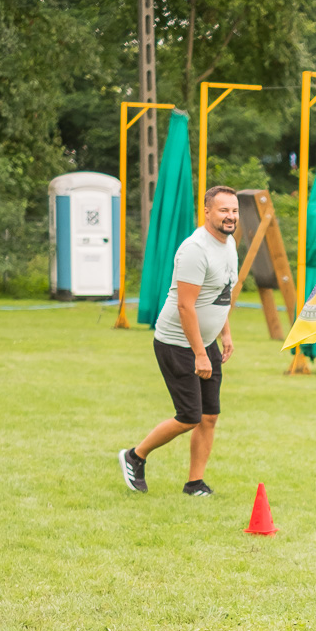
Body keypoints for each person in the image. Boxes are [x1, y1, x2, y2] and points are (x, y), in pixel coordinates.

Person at [118, 186, 240, 496]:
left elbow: (221, 293)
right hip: (177, 343)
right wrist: (200, 353)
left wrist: (224, 333)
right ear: (208, 212)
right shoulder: (195, 249)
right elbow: (186, 306)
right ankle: (135, 456)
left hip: (205, 342)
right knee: (189, 416)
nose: (230, 216)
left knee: (209, 417)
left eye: (235, 210)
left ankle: (194, 483)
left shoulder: (229, 245)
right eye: (224, 210)